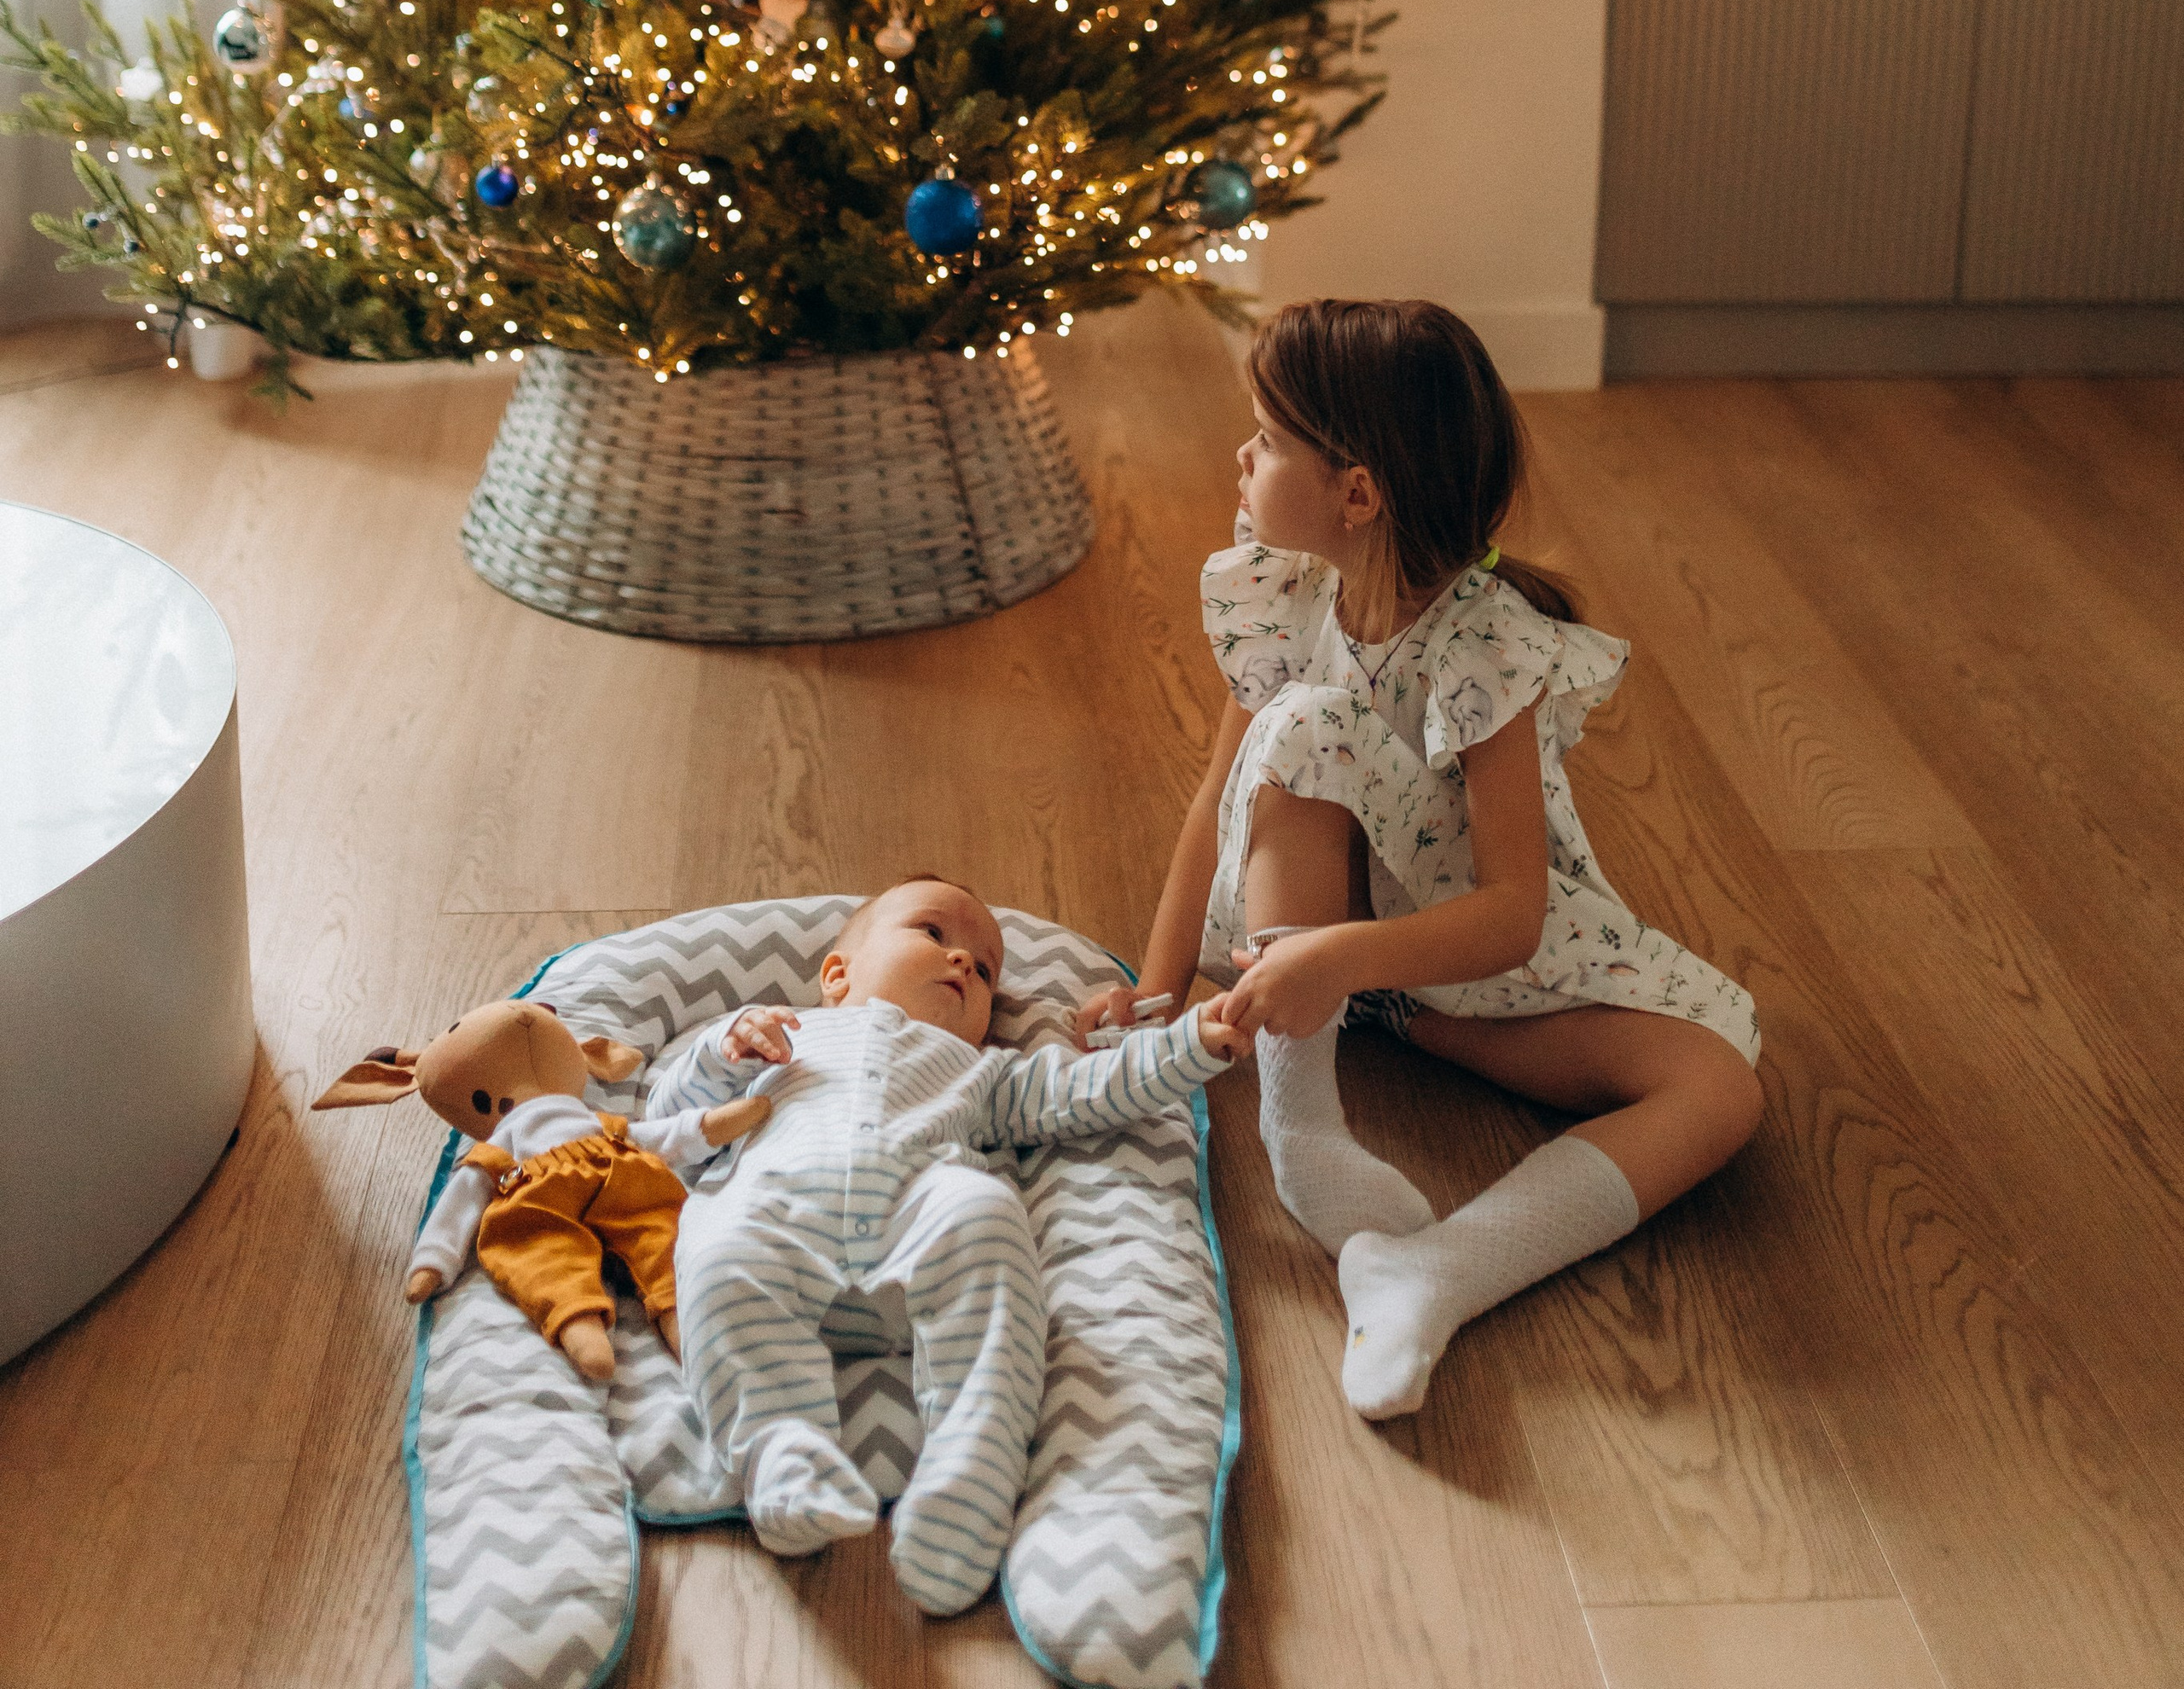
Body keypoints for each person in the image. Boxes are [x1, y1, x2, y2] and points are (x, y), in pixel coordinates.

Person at [1077, 298, 1763, 1422]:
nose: (1241, 457)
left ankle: (1438, 1271)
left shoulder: (1488, 646)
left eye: (1267, 436)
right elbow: (1217, 803)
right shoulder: (1283, 598)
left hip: (1445, 968)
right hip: (1322, 943)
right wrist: (1156, 997)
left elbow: (1512, 917)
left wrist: (1347, 962)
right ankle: (1304, 1137)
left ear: (1358, 493)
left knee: (1721, 1089)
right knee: (1298, 724)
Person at [648, 875, 1250, 1614]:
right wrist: (720, 1053)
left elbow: (1090, 1089)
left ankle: (970, 1477)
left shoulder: (983, 1072)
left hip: (920, 1240)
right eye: (934, 935)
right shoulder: (782, 1035)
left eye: (986, 969)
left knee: (988, 1217)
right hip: (776, 1232)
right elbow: (667, 1129)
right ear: (836, 976)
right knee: (714, 1250)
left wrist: (1189, 1046)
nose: (963, 962)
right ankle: (782, 1455)